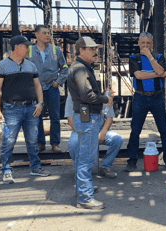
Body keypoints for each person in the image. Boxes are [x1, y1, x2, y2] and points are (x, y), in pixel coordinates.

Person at [0, 35, 51, 184]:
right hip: (10, 110)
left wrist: (40, 103)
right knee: (8, 139)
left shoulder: (30, 65)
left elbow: (37, 86)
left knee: (32, 140)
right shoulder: (2, 66)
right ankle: (6, 170)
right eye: (26, 47)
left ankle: (35, 168)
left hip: (32, 108)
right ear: (16, 47)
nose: (29, 49)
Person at [67, 36, 113, 210]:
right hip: (87, 119)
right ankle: (85, 198)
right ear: (81, 51)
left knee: (82, 157)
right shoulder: (80, 69)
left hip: (84, 117)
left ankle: (83, 188)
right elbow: (87, 95)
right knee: (86, 159)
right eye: (91, 49)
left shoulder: (82, 67)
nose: (95, 51)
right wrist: (105, 98)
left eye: (95, 48)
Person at [124, 32, 166, 172]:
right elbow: (138, 75)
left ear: (151, 44)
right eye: (143, 43)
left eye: (148, 43)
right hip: (140, 97)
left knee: (164, 130)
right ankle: (132, 161)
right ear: (138, 43)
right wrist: (157, 74)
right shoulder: (134, 58)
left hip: (157, 97)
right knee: (135, 130)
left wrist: (149, 56)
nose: (145, 45)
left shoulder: (158, 57)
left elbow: (162, 70)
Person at [28, 25, 68, 153]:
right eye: (44, 33)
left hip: (52, 87)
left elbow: (65, 68)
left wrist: (58, 81)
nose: (47, 35)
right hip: (35, 89)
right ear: (36, 34)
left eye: (48, 33)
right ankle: (40, 143)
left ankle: (55, 143)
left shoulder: (56, 50)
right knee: (36, 116)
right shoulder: (28, 50)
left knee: (55, 116)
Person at [65, 93, 123, 179]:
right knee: (73, 144)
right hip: (80, 130)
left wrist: (102, 133)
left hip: (99, 129)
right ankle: (80, 171)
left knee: (117, 139)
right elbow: (70, 120)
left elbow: (109, 117)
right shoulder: (72, 96)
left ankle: (105, 166)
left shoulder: (103, 94)